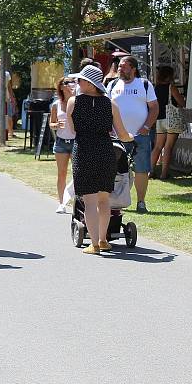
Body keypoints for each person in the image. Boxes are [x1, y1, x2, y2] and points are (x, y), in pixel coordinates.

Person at [66, 65, 132, 255]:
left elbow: (72, 131)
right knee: (104, 200)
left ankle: (94, 244)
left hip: (84, 150)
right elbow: (122, 133)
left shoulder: (73, 102)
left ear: (88, 83)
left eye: (80, 80)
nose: (77, 83)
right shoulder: (110, 104)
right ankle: (103, 240)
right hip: (105, 150)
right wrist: (131, 138)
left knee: (89, 201)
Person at [106, 55, 158, 213]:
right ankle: (115, 201)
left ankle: (141, 202)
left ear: (133, 69)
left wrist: (147, 126)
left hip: (139, 136)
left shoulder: (144, 85)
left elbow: (154, 107)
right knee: (114, 170)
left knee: (141, 169)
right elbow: (106, 108)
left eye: (123, 66)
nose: (119, 69)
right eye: (119, 66)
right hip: (117, 137)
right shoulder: (112, 85)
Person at [151, 65, 187, 179]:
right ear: (169, 76)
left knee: (157, 147)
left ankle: (150, 171)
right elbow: (181, 102)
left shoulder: (155, 88)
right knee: (168, 147)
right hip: (171, 119)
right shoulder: (171, 87)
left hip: (159, 119)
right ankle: (164, 174)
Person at [49, 76, 76, 213]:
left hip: (76, 141)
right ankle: (61, 203)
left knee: (78, 173)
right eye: (67, 83)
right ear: (61, 87)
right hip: (61, 142)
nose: (71, 85)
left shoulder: (79, 102)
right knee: (62, 173)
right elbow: (51, 123)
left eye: (73, 82)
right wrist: (56, 125)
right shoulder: (56, 104)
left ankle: (78, 202)